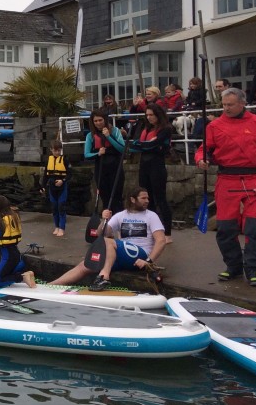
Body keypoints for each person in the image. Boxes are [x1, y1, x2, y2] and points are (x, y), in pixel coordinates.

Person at [195, 87, 256, 287]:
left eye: (230, 105)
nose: (225, 108)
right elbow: (204, 149)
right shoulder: (215, 126)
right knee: (226, 229)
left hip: (254, 179)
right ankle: (233, 267)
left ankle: (252, 269)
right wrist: (202, 160)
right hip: (227, 179)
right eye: (224, 104)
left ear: (242, 103)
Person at [49, 187, 167, 291]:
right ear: (132, 199)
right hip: (122, 254)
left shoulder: (151, 216)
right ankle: (50, 286)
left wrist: (148, 261)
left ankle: (104, 276)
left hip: (141, 255)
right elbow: (101, 233)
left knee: (108, 242)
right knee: (86, 264)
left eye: (147, 198)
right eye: (143, 198)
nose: (147, 201)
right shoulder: (121, 215)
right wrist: (104, 220)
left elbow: (161, 241)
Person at [130, 103, 173, 241]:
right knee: (147, 200)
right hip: (144, 166)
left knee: (161, 199)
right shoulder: (146, 127)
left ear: (158, 115)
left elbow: (152, 145)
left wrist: (143, 145)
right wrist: (143, 145)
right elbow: (136, 143)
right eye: (147, 115)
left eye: (151, 115)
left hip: (157, 166)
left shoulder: (166, 128)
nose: (148, 118)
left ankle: (167, 233)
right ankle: (152, 230)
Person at [0, 195, 36, 289]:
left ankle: (23, 277)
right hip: (16, 255)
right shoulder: (14, 216)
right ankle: (21, 273)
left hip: (8, 258)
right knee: (5, 273)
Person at [84, 109, 126, 212]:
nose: (98, 123)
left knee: (116, 198)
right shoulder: (90, 135)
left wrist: (108, 136)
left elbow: (122, 149)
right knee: (105, 199)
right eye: (95, 121)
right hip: (101, 169)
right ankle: (107, 224)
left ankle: (119, 223)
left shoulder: (115, 131)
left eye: (100, 120)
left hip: (115, 168)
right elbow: (86, 154)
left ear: (105, 120)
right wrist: (97, 153)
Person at [40, 139, 68, 237]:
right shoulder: (49, 160)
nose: (57, 152)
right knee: (54, 208)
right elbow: (45, 175)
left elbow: (70, 174)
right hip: (52, 187)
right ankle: (56, 226)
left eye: (59, 150)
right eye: (55, 150)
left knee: (61, 207)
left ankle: (62, 228)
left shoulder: (65, 160)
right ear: (51, 150)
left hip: (62, 187)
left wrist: (62, 181)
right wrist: (43, 186)